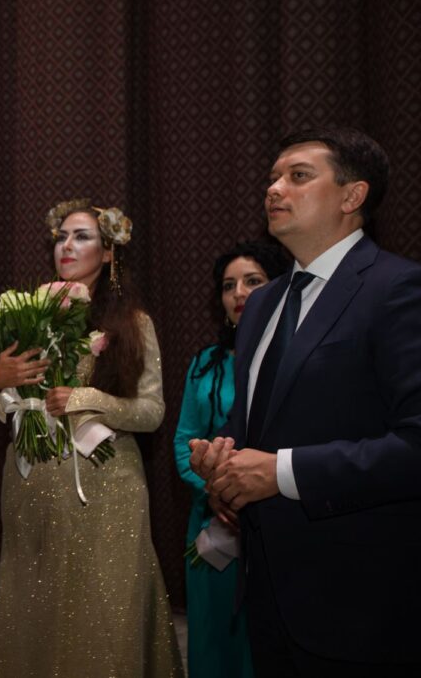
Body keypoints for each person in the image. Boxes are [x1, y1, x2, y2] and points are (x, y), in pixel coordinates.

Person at [189, 127, 421, 675]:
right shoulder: (263, 303)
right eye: (272, 178)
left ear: (352, 195)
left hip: (359, 599)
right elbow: (257, 422)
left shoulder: (398, 289)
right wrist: (220, 461)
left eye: (298, 176)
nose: (274, 189)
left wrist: (280, 472)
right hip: (266, 591)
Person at [0, 199, 183, 677]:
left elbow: (151, 412)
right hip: (31, 483)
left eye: (81, 236)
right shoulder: (26, 315)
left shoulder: (133, 323)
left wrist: (87, 398)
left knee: (102, 611)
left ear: (108, 252)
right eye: (61, 236)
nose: (66, 245)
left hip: (106, 487)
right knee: (33, 604)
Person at [173, 240, 288, 678]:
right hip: (212, 521)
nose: (239, 292)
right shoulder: (205, 363)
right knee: (213, 637)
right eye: (228, 285)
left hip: (277, 517)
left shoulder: (296, 357)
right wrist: (215, 491)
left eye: (252, 281)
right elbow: (184, 441)